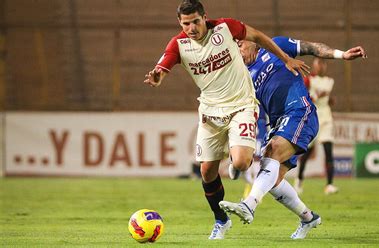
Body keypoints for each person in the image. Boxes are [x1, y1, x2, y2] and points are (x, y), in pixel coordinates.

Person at [143, 0, 309, 240]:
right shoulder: (179, 44)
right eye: (186, 23)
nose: (191, 28)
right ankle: (221, 221)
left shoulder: (225, 28)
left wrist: (285, 58)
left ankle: (235, 156)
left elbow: (259, 37)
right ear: (180, 23)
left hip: (241, 104)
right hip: (210, 112)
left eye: (195, 22)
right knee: (207, 171)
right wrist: (158, 77)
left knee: (242, 163)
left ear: (204, 17)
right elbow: (163, 65)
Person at [219, 36, 366, 239]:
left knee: (272, 153)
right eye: (234, 48)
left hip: (299, 111)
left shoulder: (276, 46)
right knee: (273, 178)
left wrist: (341, 54)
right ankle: (308, 218)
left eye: (240, 44)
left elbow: (312, 46)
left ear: (253, 41)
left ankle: (249, 205)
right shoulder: (243, 76)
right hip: (278, 123)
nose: (238, 49)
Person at [295, 58, 338, 195]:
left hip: (326, 118)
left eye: (322, 64)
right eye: (317, 64)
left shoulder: (329, 81)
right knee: (307, 153)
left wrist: (330, 100)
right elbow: (303, 96)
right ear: (314, 66)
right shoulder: (309, 80)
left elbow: (327, 99)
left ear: (325, 66)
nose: (320, 67)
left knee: (328, 151)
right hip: (313, 118)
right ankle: (299, 179)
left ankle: (329, 185)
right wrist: (315, 96)